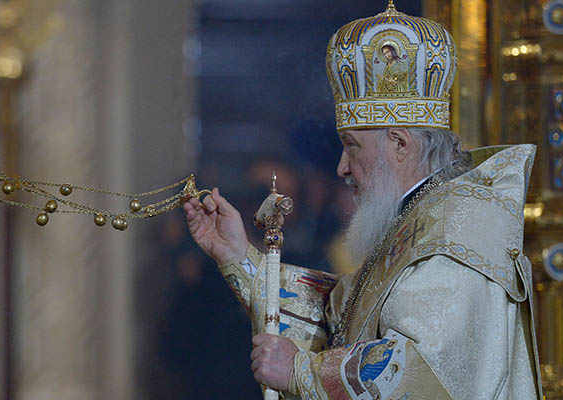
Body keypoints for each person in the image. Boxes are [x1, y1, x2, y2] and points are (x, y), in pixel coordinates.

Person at [184, 3, 542, 399]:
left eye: (351, 147)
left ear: (400, 144)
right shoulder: (419, 220)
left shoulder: (455, 238)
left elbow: (420, 371)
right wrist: (239, 256)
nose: (341, 168)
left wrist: (301, 371)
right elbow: (336, 317)